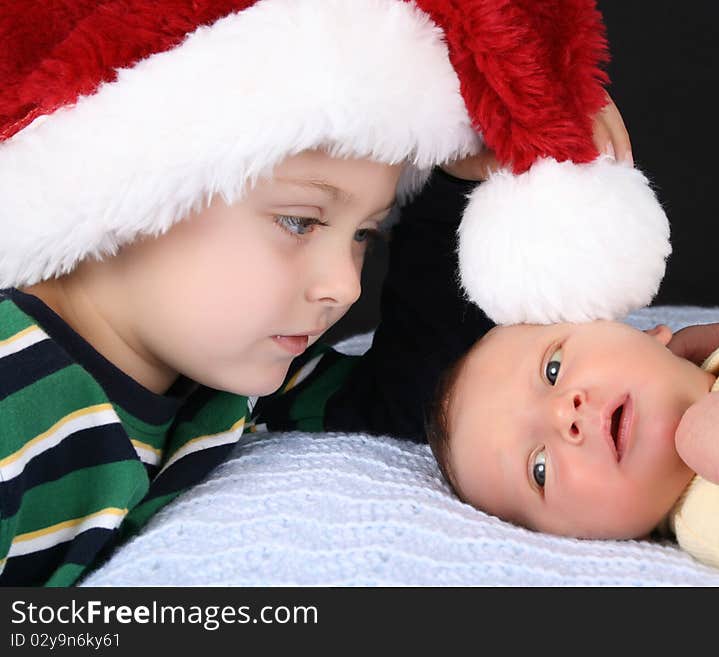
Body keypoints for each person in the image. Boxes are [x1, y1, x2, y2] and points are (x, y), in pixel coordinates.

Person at [0, 0, 641, 585]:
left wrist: (464, 184)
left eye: (364, 234)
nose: (344, 286)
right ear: (130, 187)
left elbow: (411, 405)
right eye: (299, 222)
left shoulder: (226, 382)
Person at [426, 303, 719, 586]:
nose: (566, 414)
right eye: (539, 468)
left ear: (642, 332)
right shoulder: (718, 515)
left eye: (553, 369)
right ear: (582, 536)